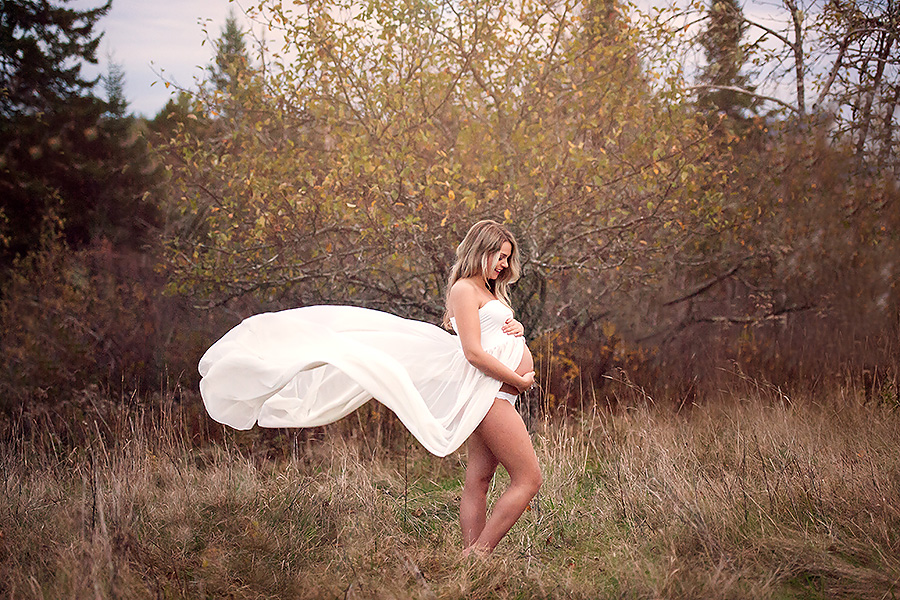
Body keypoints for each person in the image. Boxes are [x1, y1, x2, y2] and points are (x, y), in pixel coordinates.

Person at [198, 219, 540, 553]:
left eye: (508, 258)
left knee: (478, 481)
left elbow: (490, 331)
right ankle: (478, 556)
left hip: (495, 395)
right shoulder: (464, 288)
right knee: (529, 479)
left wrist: (517, 327)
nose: (504, 264)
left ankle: (469, 564)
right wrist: (518, 380)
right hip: (491, 393)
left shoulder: (488, 289)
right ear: (480, 251)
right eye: (499, 256)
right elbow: (472, 352)